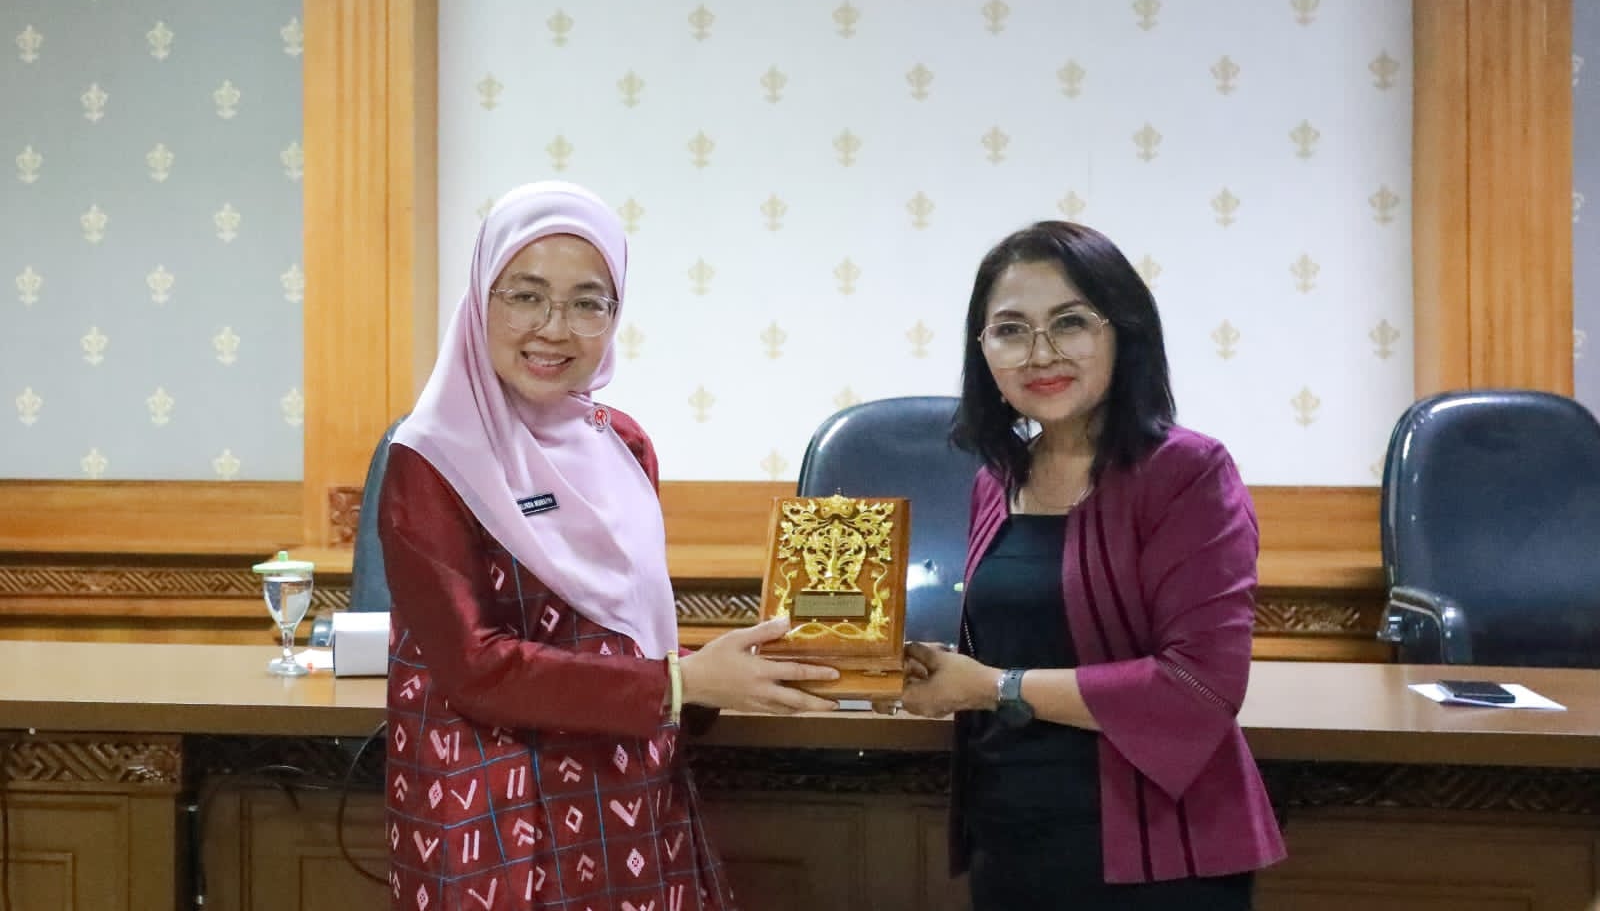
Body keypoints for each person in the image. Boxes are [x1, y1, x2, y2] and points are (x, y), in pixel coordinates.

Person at [378, 181, 839, 911]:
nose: (554, 329)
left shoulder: (621, 443)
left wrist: (729, 668)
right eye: (525, 296)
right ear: (478, 300)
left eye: (588, 303)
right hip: (494, 807)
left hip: (628, 782)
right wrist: (680, 685)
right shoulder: (430, 458)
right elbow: (474, 667)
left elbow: (623, 628)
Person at [899, 220, 1286, 909]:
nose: (1040, 353)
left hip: (1156, 853)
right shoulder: (997, 478)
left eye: (1070, 323)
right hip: (1010, 835)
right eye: (1010, 330)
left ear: (1123, 332)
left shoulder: (1188, 473)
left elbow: (1198, 685)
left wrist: (993, 687)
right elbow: (1019, 643)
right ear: (982, 351)